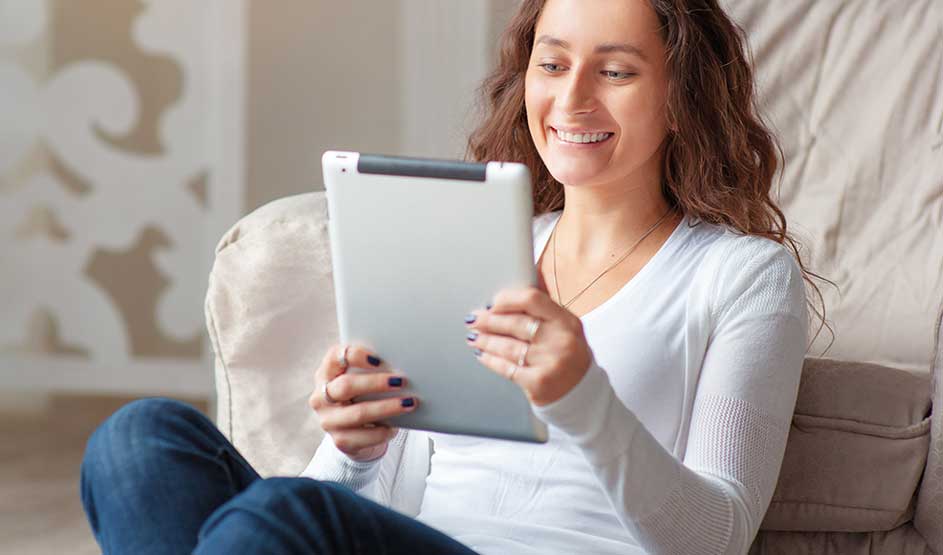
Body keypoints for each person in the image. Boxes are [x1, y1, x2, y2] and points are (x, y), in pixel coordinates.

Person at [80, 0, 832, 553]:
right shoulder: (475, 241)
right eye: (551, 62)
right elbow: (386, 498)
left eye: (615, 71)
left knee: (277, 518)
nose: (571, 99)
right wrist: (355, 446)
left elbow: (721, 537)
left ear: (680, 96)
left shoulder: (740, 274)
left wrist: (582, 397)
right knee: (137, 440)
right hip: (414, 541)